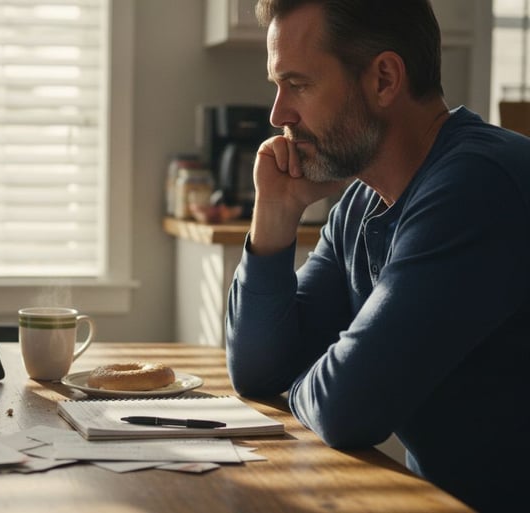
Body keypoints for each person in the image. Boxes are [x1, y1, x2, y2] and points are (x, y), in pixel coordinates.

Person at [225, 1, 530, 511]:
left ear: (385, 79)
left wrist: (316, 378)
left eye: (298, 84)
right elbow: (257, 372)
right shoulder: (362, 202)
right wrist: (275, 218)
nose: (278, 115)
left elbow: (347, 410)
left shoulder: (478, 185)